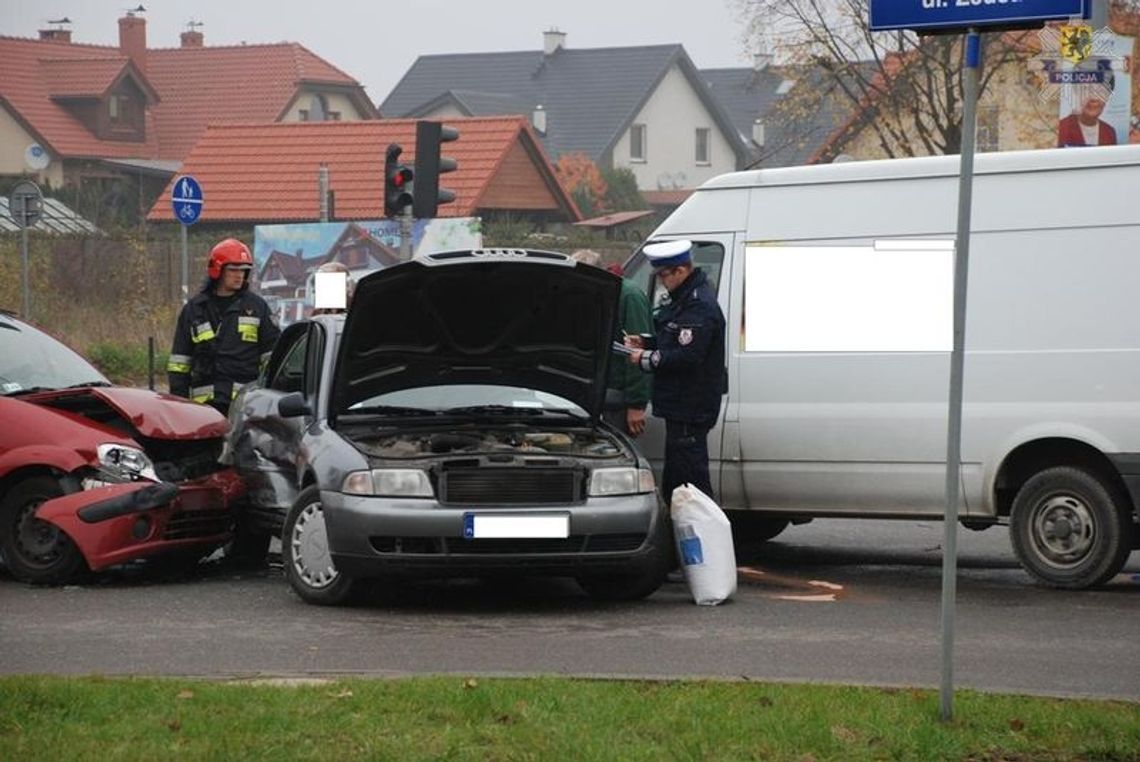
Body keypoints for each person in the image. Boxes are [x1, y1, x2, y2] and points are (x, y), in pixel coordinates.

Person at [625, 239, 727, 502]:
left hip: (690, 407)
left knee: (691, 485)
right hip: (681, 407)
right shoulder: (682, 301)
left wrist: (646, 358)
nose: (661, 281)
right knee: (677, 482)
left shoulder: (698, 305)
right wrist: (646, 341)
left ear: (680, 271)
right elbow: (672, 335)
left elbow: (689, 355)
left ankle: (702, 539)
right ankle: (682, 538)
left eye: (663, 275)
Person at [167, 238, 280, 416]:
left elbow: (273, 358)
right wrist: (179, 405)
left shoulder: (258, 308)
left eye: (243, 270)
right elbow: (179, 363)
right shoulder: (194, 310)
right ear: (217, 270)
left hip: (245, 407)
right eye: (233, 269)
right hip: (203, 408)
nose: (239, 275)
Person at [570, 249, 652, 437]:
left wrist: (636, 405)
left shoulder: (628, 297)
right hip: (591, 395)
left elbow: (638, 354)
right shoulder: (587, 297)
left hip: (618, 401)